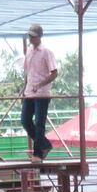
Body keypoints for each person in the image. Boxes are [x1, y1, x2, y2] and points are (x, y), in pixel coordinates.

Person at [22, 23, 59, 161]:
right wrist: (25, 88)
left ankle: (37, 154)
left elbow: (54, 73)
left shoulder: (46, 52)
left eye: (33, 36)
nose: (30, 38)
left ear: (39, 37)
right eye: (30, 36)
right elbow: (28, 72)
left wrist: (41, 84)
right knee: (25, 120)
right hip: (29, 92)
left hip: (42, 93)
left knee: (39, 123)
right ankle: (45, 144)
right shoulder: (29, 51)